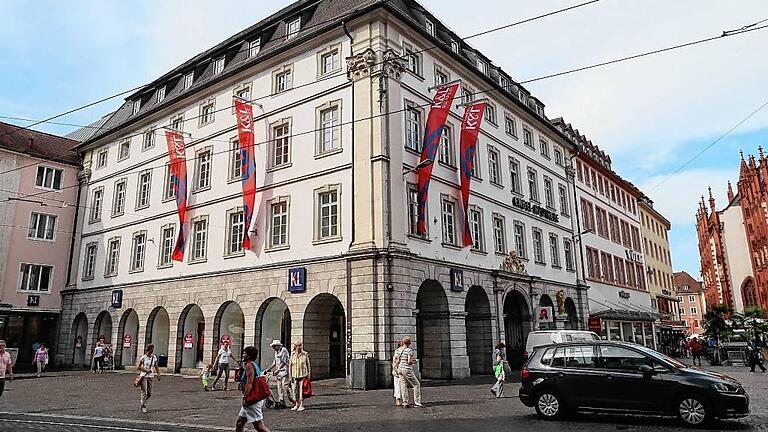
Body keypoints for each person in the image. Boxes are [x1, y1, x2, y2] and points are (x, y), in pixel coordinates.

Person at [236, 346, 270, 432]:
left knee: (259, 426)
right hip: (253, 398)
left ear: (249, 356)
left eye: (244, 353)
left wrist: (245, 396)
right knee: (240, 423)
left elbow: (249, 383)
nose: (243, 355)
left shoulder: (249, 365)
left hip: (252, 399)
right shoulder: (252, 364)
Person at [264, 340, 293, 409]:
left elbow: (284, 362)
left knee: (285, 387)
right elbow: (275, 362)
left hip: (284, 371)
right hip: (279, 373)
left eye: (274, 346)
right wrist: (269, 369)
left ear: (278, 345)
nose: (273, 348)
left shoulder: (284, 350)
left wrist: (278, 370)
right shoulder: (276, 352)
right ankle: (282, 401)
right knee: (279, 388)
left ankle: (292, 399)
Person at [395, 336, 422, 408]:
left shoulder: (398, 350)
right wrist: (415, 361)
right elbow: (409, 362)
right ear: (409, 343)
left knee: (403, 385)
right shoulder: (409, 350)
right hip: (406, 369)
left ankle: (405, 402)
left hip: (400, 369)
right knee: (416, 384)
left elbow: (397, 360)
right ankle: (417, 401)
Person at [136, 344, 160, 413]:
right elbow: (138, 367)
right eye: (152, 349)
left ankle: (142, 402)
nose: (153, 350)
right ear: (149, 350)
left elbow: (156, 366)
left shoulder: (154, 357)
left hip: (151, 376)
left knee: (149, 393)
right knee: (144, 392)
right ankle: (143, 406)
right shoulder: (143, 357)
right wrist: (146, 370)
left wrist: (158, 374)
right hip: (144, 376)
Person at [289, 340, 311, 411]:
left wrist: (309, 374)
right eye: (298, 345)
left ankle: (301, 404)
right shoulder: (292, 354)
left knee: (301, 389)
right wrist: (290, 376)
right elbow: (290, 366)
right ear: (295, 346)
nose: (300, 347)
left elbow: (308, 365)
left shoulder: (305, 354)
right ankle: (296, 404)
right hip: (294, 374)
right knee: (294, 389)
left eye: (300, 345)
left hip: (303, 374)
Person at [392, 340, 405, 406]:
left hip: (397, 370)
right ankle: (398, 399)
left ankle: (399, 399)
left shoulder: (397, 351)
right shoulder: (398, 352)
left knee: (398, 385)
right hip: (398, 371)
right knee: (398, 385)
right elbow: (396, 362)